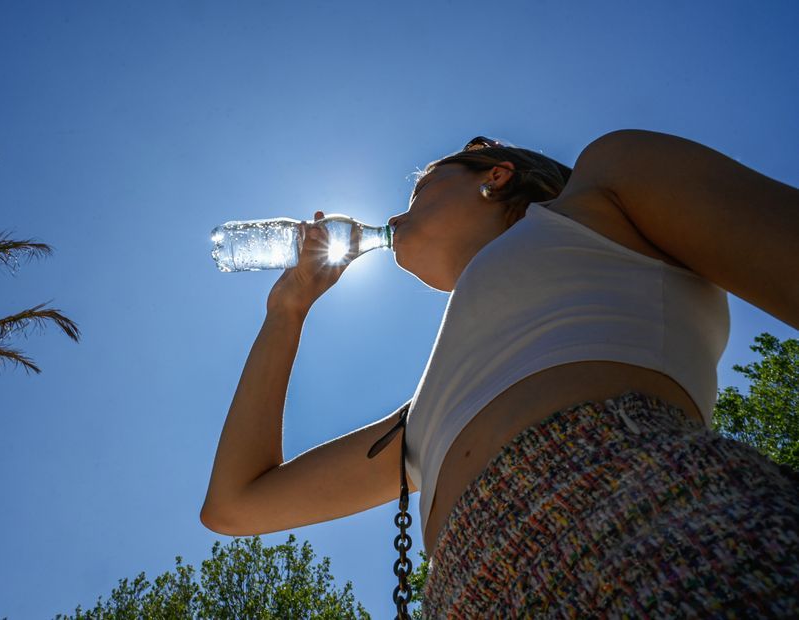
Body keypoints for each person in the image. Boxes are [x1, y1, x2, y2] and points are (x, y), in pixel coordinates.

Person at [201, 130, 799, 618]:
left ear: (495, 172)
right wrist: (288, 311)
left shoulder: (606, 188)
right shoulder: (423, 418)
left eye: (419, 193)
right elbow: (235, 505)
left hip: (660, 535)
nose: (392, 216)